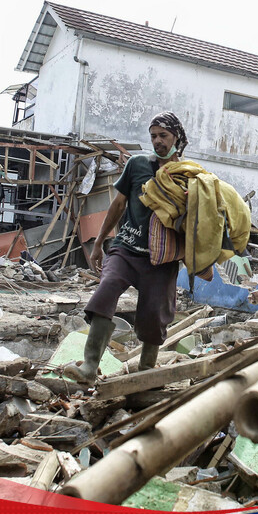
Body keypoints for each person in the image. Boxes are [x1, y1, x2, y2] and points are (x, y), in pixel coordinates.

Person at [63, 112, 189, 385]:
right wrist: (99, 242)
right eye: (153, 135)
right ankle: (89, 366)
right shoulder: (137, 164)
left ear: (176, 137)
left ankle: (144, 371)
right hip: (126, 247)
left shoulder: (188, 176)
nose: (157, 141)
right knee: (106, 291)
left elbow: (196, 222)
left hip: (161, 259)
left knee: (154, 315)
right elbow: (118, 204)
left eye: (163, 135)